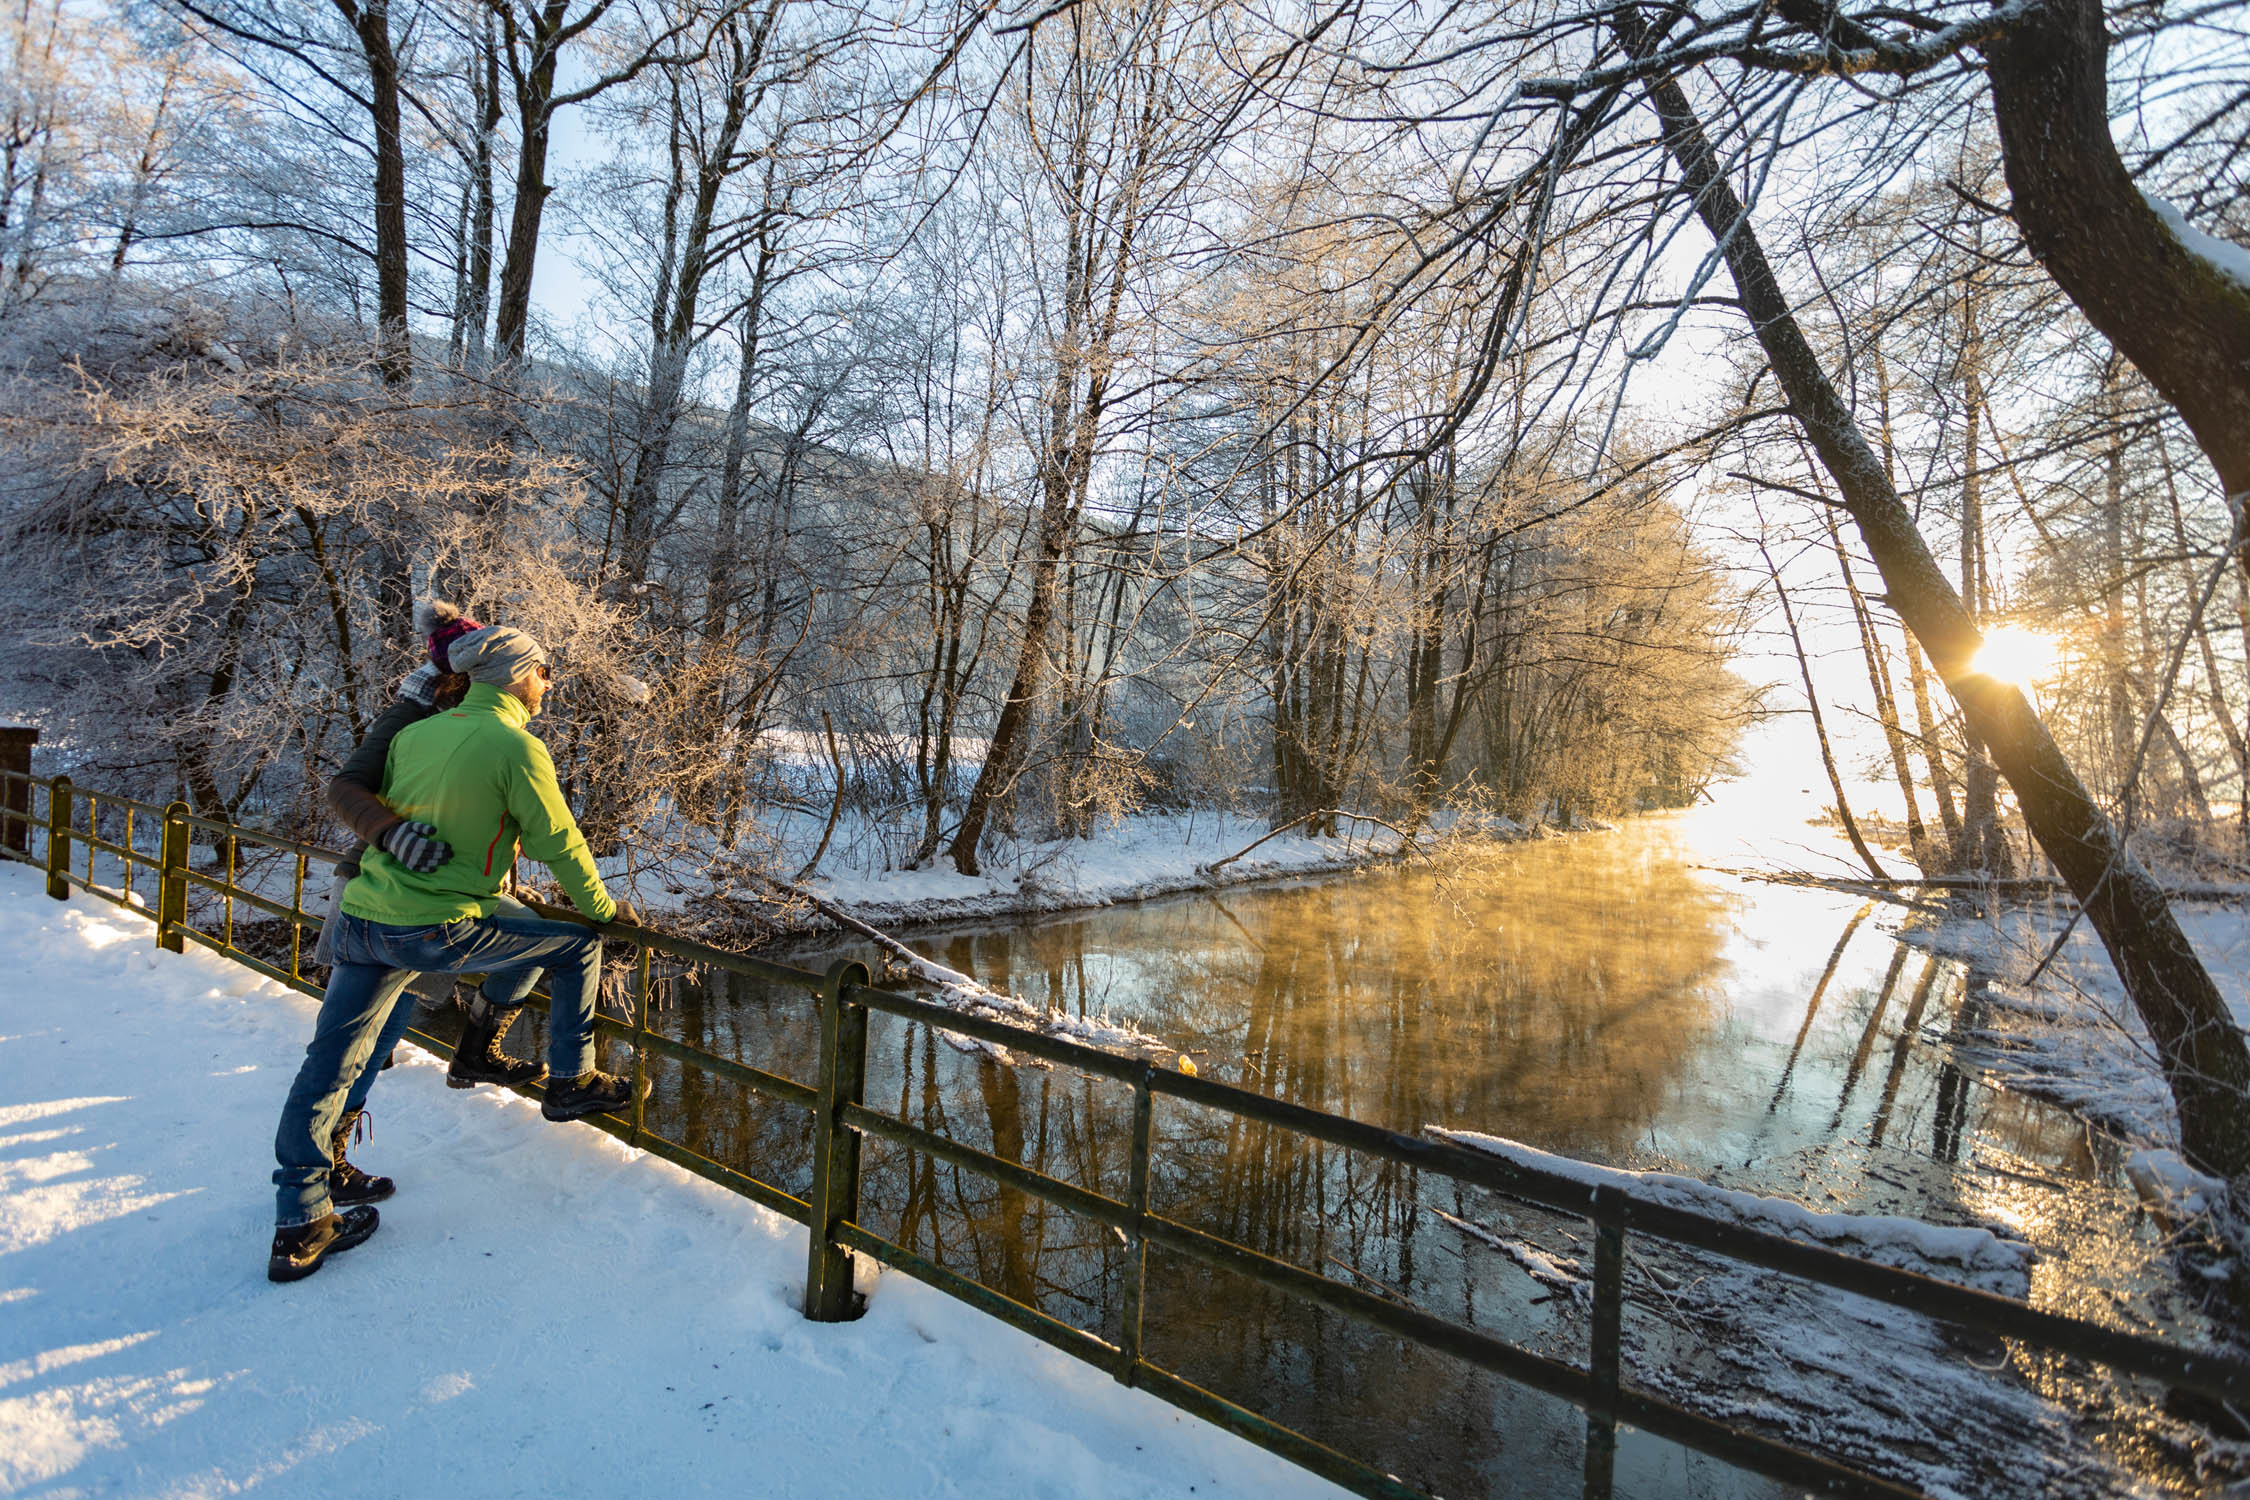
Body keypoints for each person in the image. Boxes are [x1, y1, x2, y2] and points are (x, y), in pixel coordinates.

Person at [268, 616, 645, 1283]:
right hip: (433, 922)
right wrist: (604, 911)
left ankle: (300, 1220)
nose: (549, 681)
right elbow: (559, 842)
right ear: (516, 676)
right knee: (573, 943)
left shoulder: (418, 732)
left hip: (365, 914)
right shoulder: (514, 747)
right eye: (543, 669)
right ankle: (570, 1080)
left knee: (329, 1064)